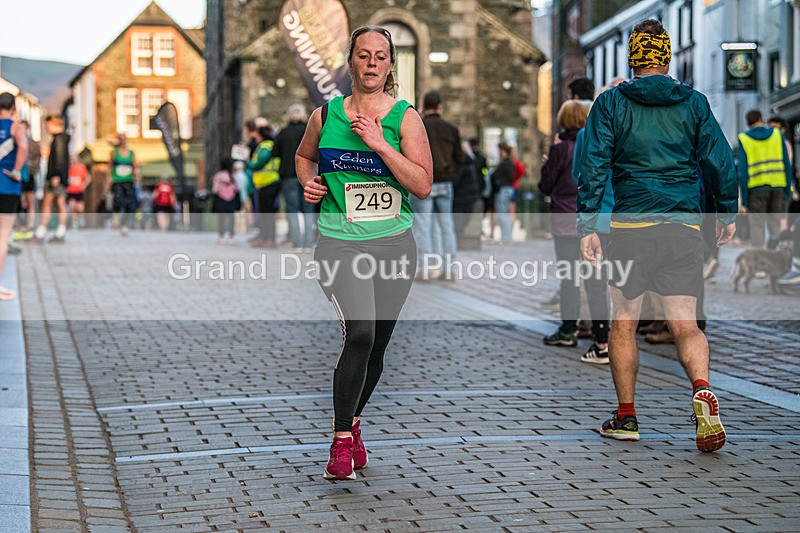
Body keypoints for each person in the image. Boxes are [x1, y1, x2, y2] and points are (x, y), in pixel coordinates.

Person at [577, 19, 738, 453]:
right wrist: (725, 212)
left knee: (623, 323)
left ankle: (626, 416)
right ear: (666, 58)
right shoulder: (693, 102)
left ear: (633, 59)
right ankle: (701, 387)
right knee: (686, 324)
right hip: (682, 225)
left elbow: (593, 165)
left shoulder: (610, 103)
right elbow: (720, 160)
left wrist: (589, 224)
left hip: (630, 227)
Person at [296, 25, 433, 481]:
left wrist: (378, 144)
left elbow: (422, 184)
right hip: (339, 243)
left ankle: (354, 424)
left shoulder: (405, 118)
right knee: (359, 335)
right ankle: (339, 442)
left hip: (394, 246)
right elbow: (303, 157)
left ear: (390, 65)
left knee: (377, 346)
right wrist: (308, 182)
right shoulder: (325, 115)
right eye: (363, 55)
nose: (371, 63)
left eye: (380, 56)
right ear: (350, 61)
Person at [540, 100, 589, 348]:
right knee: (594, 278)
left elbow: (545, 185)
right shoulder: (594, 145)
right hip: (590, 219)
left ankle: (568, 328)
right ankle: (597, 329)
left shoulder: (559, 150)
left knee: (569, 277)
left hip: (564, 220)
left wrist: (547, 163)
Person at [410, 91, 462, 280]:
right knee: (446, 226)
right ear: (440, 106)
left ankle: (425, 269)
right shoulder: (451, 129)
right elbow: (460, 159)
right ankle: (449, 269)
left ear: (423, 106)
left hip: (424, 183)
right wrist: (451, 175)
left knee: (423, 226)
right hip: (445, 183)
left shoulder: (418, 127)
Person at [737, 110, 792, 247]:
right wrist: (787, 190)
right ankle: (775, 260)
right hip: (777, 187)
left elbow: (742, 172)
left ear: (748, 123)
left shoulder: (744, 138)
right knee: (775, 226)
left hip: (756, 190)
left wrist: (744, 199)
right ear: (762, 119)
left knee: (756, 227)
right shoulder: (777, 135)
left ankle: (758, 261)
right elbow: (787, 164)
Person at [274, 103, 316, 250]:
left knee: (292, 209)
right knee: (309, 208)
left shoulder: (283, 132)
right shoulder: (309, 129)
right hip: (309, 174)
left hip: (289, 175)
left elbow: (275, 152)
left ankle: (296, 242)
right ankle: (309, 242)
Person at [0, 92, 28, 300]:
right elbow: (24, 148)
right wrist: (17, 171)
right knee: (3, 236)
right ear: (13, 107)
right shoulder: (16, 126)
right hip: (8, 185)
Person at [33, 115, 69, 243]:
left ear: (54, 124)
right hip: (60, 177)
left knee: (48, 204)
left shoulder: (58, 140)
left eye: (48, 125)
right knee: (60, 204)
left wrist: (56, 175)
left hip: (55, 178)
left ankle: (41, 232)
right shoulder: (62, 139)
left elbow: (59, 159)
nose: (47, 128)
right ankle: (60, 232)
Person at [247, 125, 280, 248]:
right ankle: (265, 237)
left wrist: (247, 161)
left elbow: (258, 164)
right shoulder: (265, 146)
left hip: (269, 182)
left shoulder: (266, 147)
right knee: (264, 212)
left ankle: (269, 238)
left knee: (267, 213)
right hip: (264, 183)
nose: (254, 137)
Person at [107, 133, 139, 236]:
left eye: (125, 139)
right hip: (117, 181)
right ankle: (116, 217)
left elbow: (136, 166)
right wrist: (109, 180)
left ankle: (124, 224)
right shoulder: (114, 153)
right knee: (119, 201)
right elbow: (109, 167)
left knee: (130, 204)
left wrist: (137, 176)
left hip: (128, 181)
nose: (124, 141)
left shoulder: (131, 153)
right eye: (121, 139)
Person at [212, 157, 240, 244]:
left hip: (221, 199)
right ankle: (231, 236)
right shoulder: (233, 176)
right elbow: (237, 188)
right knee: (231, 218)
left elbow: (215, 189)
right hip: (231, 199)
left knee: (221, 218)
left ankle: (221, 236)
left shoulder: (218, 175)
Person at [17, 120, 38, 235]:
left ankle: (30, 225)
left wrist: (28, 171)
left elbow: (36, 162)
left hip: (29, 177)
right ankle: (21, 225)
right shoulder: (14, 142)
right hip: (17, 177)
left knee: (30, 202)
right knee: (20, 202)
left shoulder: (33, 144)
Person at [492, 143, 516, 242]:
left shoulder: (506, 164)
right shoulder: (509, 163)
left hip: (503, 189)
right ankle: (506, 236)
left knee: (502, 214)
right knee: (503, 213)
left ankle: (506, 237)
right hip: (506, 189)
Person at [67, 154, 90, 229]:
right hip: (70, 191)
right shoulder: (67, 168)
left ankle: (80, 218)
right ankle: (74, 223)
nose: (71, 160)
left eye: (73, 158)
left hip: (79, 191)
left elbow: (88, 178)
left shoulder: (81, 167)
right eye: (70, 159)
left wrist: (84, 185)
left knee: (80, 208)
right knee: (72, 207)